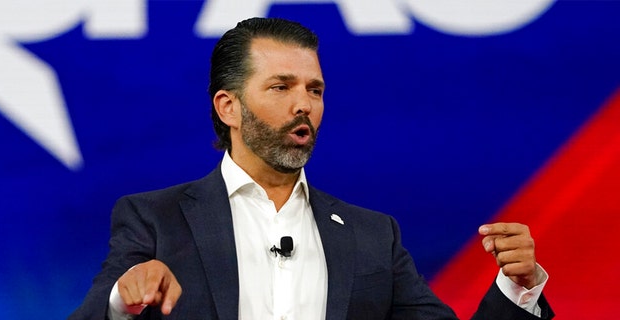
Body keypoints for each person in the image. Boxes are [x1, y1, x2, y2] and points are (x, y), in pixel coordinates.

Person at [70, 17, 553, 320]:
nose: (305, 105)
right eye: (281, 87)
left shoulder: (371, 235)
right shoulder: (154, 219)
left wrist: (517, 286)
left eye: (315, 90)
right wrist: (121, 304)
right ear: (228, 107)